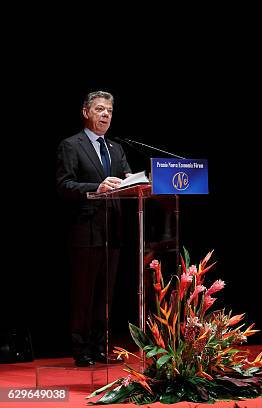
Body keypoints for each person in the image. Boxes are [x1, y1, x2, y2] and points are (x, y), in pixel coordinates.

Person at [56, 91, 132, 367]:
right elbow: (64, 185)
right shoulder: (71, 145)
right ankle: (81, 349)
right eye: (100, 109)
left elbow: (126, 181)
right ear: (85, 112)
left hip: (113, 231)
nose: (105, 115)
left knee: (106, 295)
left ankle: (101, 346)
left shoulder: (116, 149)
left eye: (109, 111)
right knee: (84, 294)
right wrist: (96, 188)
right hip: (85, 231)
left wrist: (138, 182)